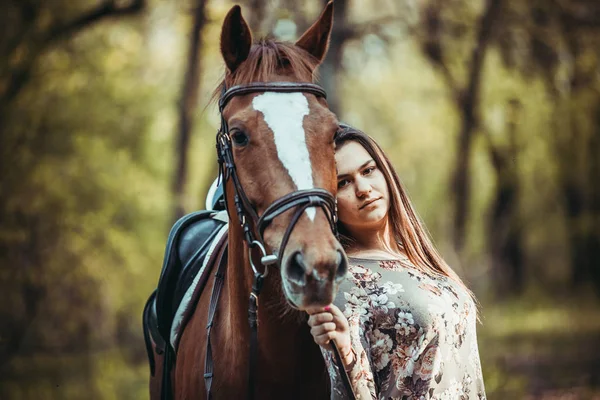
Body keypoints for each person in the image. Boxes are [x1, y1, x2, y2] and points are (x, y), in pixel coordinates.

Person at [306, 124, 486, 399]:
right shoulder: (340, 284)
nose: (363, 189)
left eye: (368, 171)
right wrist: (344, 349)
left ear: (385, 172)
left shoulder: (417, 259)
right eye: (343, 183)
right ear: (328, 201)